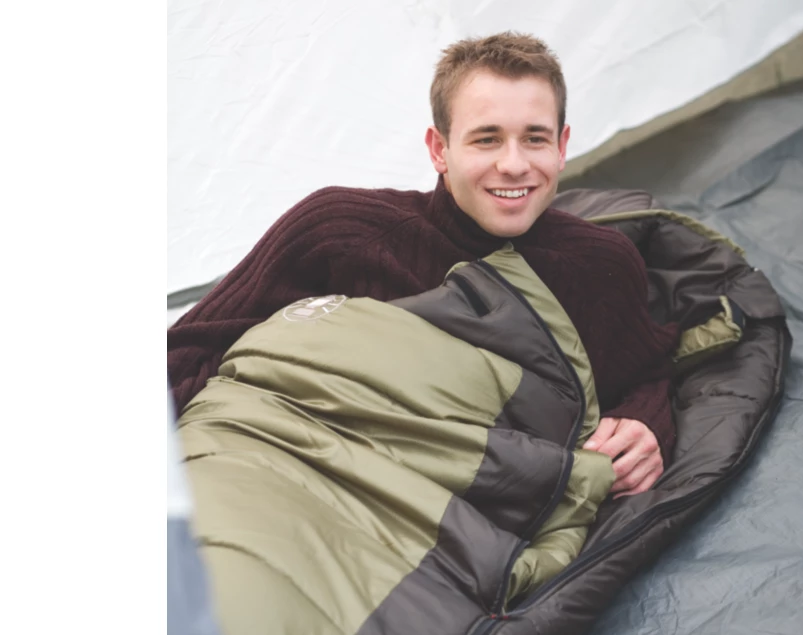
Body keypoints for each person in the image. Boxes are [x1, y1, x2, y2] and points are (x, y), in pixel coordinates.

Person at [168, 33, 679, 496]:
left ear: (562, 147)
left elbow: (645, 373)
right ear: (439, 149)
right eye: (486, 138)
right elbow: (190, 350)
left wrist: (644, 423)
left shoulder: (597, 265)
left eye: (535, 138)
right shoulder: (338, 231)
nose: (514, 164)